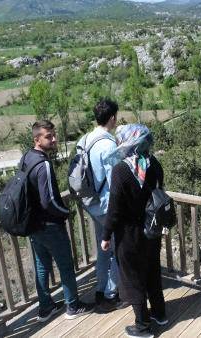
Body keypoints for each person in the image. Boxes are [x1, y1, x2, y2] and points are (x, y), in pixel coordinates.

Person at [22, 120, 94, 322]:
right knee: (65, 265)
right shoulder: (43, 164)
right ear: (37, 139)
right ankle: (73, 305)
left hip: (34, 225)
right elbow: (49, 201)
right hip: (50, 225)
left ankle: (45, 308)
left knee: (42, 265)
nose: (53, 139)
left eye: (54, 135)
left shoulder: (27, 158)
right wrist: (65, 212)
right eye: (48, 136)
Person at [101, 124, 166, 338]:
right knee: (152, 271)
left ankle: (143, 327)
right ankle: (159, 313)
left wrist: (105, 235)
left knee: (133, 278)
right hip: (152, 230)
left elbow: (114, 208)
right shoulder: (154, 164)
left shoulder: (121, 169)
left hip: (129, 235)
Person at [80, 98, 122, 313]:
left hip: (92, 204)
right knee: (115, 250)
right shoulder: (108, 144)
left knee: (103, 248)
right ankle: (111, 294)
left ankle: (99, 287)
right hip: (107, 206)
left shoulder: (86, 139)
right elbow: (116, 181)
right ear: (112, 117)